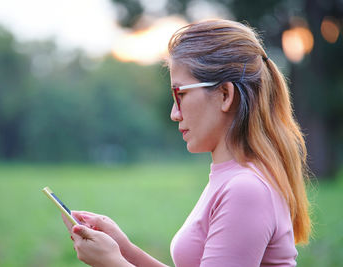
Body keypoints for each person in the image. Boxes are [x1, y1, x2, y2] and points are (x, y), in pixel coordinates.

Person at [62, 19, 311, 267]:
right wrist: (125, 250)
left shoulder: (245, 190)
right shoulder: (232, 178)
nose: (174, 113)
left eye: (180, 94)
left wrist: (112, 263)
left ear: (225, 95)